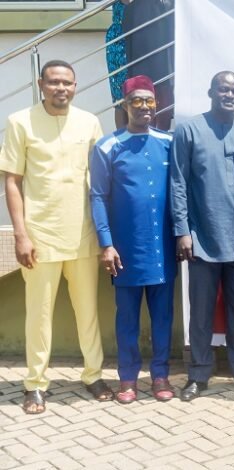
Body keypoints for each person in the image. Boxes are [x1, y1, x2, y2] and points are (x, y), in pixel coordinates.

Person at [0, 60, 114, 414]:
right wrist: (21, 235)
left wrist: (104, 233)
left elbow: (100, 181)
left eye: (66, 83)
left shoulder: (89, 122)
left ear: (76, 86)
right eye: (53, 83)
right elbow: (12, 181)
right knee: (40, 313)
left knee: (87, 312)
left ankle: (93, 375)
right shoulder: (20, 122)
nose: (60, 88)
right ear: (41, 84)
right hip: (40, 236)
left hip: (82, 234)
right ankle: (35, 384)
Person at [170, 71, 234, 401]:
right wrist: (182, 231)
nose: (230, 94)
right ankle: (198, 375)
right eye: (223, 89)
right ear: (211, 91)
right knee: (201, 312)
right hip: (201, 239)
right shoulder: (189, 130)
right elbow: (178, 183)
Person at [90, 75, 177, 404]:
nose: (143, 107)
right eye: (136, 101)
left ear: (156, 105)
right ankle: (127, 378)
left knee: (163, 316)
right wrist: (106, 243)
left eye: (149, 101)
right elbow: (97, 196)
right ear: (124, 106)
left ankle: (160, 375)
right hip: (125, 249)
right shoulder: (107, 146)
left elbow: (179, 194)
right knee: (126, 317)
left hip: (163, 248)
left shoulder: (168, 143)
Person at [122, 0, 174, 130]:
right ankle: (145, 131)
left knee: (165, 77)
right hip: (142, 14)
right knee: (144, 78)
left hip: (167, 12)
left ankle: (161, 133)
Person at [105, 0, 130, 129]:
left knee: (140, 91)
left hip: (143, 31)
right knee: (120, 96)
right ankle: (122, 141)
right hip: (119, 36)